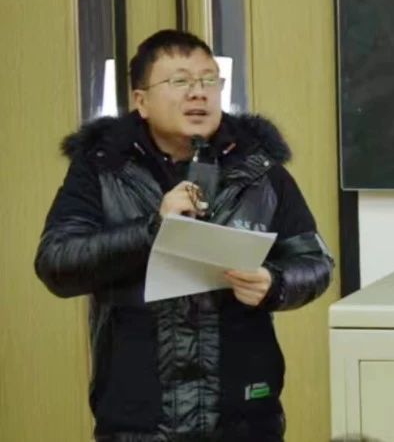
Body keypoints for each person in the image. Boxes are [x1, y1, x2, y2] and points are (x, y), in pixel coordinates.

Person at [35, 29, 332, 441]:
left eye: (209, 80)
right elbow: (57, 262)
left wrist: (275, 283)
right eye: (180, 81)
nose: (199, 93)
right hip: (140, 414)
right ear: (141, 100)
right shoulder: (102, 170)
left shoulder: (260, 170)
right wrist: (152, 230)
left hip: (243, 412)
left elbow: (315, 263)